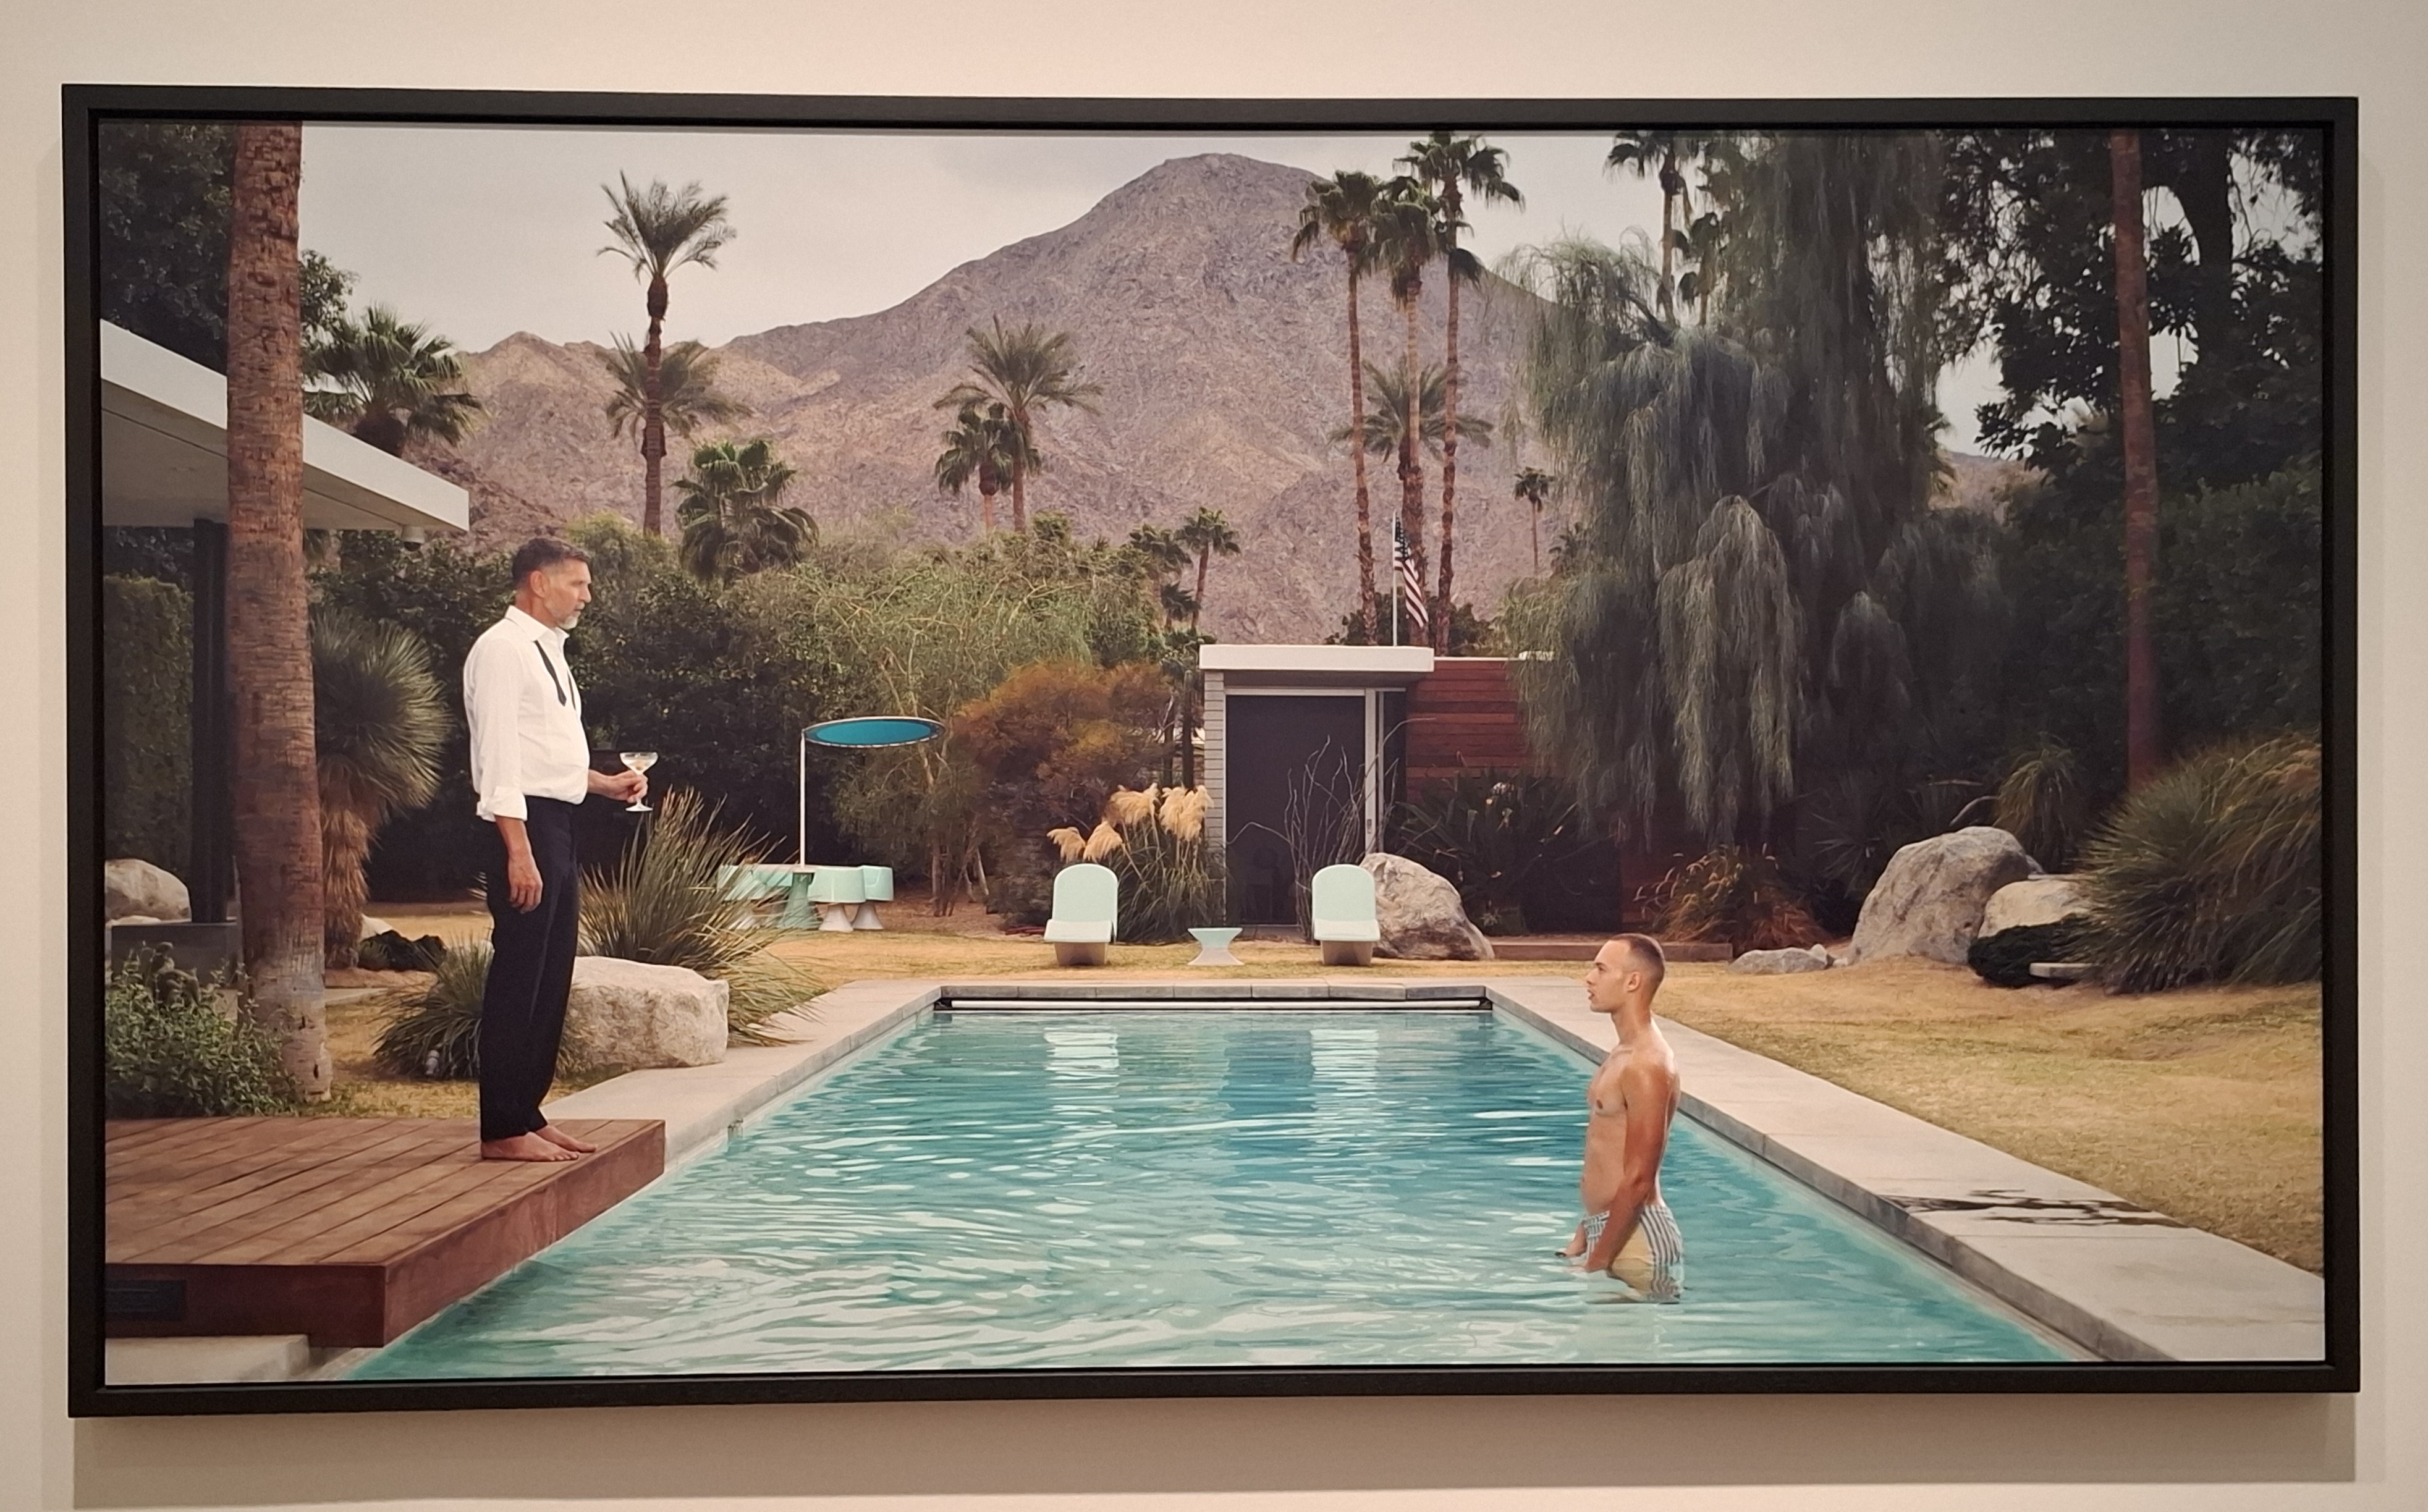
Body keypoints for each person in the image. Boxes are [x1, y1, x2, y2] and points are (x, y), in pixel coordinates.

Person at [462, 537, 646, 1162]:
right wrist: (518, 850)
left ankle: (527, 1113)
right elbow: (500, 760)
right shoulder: (501, 649)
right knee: (519, 974)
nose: (587, 595)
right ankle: (501, 1128)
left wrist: (604, 784)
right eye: (578, 583)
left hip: (557, 821)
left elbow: (544, 757)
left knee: (550, 975)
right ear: (539, 583)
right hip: (524, 827)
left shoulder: (547, 652)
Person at [1560, 933, 1685, 1299]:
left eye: (1601, 969)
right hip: (1610, 1233)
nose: (1589, 979)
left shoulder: (1647, 1064)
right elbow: (1606, 1150)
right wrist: (1586, 1231)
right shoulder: (1623, 1053)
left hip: (1638, 1241)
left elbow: (1640, 1178)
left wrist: (1596, 1264)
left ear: (1633, 982)